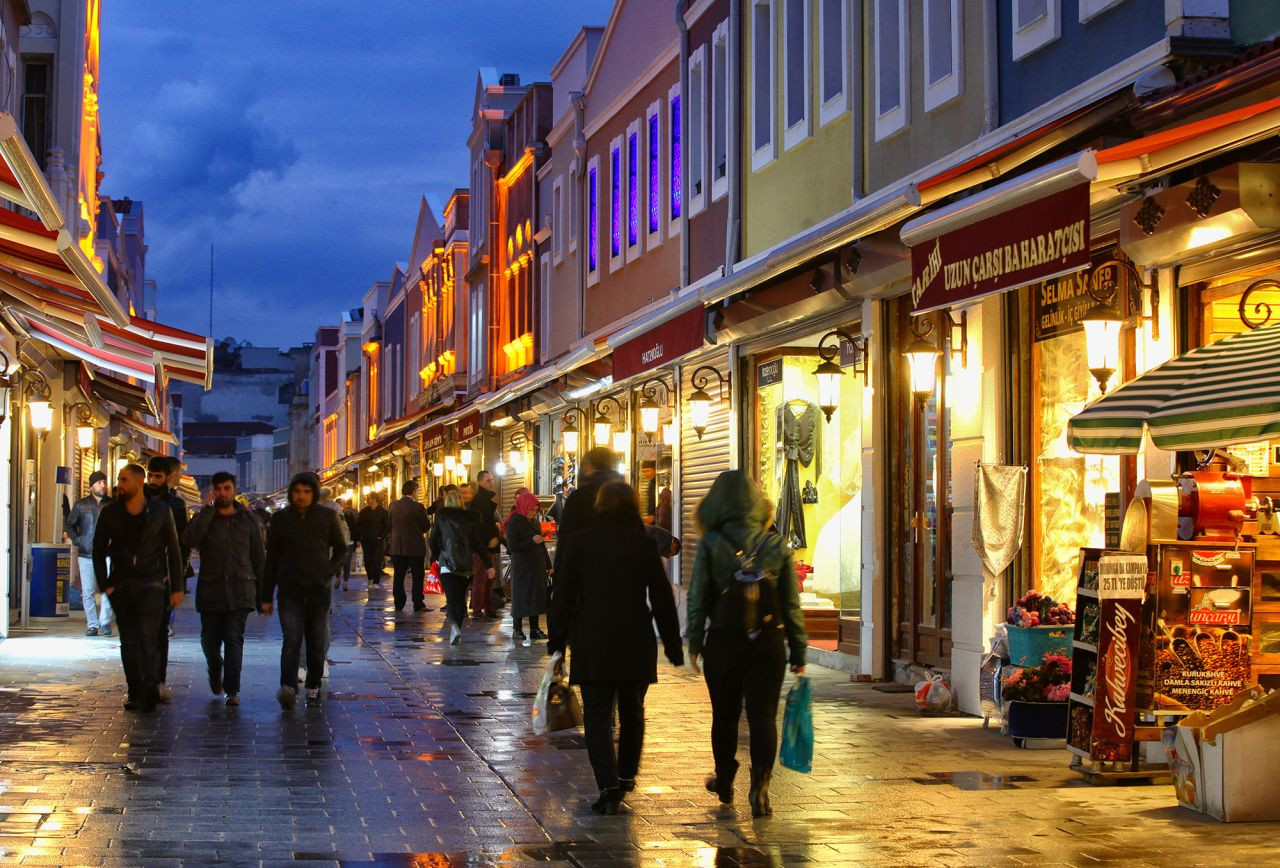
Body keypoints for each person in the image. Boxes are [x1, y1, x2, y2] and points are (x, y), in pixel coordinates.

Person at [548, 481, 683, 815]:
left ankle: (608, 785)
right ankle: (625, 775)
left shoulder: (581, 543)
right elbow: (662, 597)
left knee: (596, 716)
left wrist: (557, 644)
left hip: (593, 640)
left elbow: (563, 596)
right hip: (634, 637)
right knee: (632, 710)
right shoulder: (642, 545)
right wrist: (673, 644)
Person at [687, 470, 808, 817]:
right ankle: (761, 789)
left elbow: (697, 598)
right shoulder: (776, 544)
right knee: (763, 716)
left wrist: (695, 641)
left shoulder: (711, 543)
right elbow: (791, 604)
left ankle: (725, 780)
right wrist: (798, 650)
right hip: (767, 643)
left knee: (724, 716)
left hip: (724, 641)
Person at [92, 464, 183, 712]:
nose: (120, 485)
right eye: (120, 480)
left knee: (148, 636)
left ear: (138, 482)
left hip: (152, 582)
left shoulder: (160, 511)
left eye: (124, 480)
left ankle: (151, 685)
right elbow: (98, 550)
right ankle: (135, 690)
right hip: (121, 584)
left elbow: (173, 550)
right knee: (129, 641)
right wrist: (106, 585)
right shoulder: (110, 513)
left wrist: (177, 587)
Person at [259, 471, 347, 708]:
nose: (301, 496)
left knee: (316, 639)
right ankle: (288, 685)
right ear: (291, 493)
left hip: (319, 589)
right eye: (297, 491)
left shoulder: (327, 517)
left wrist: (327, 571)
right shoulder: (280, 519)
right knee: (292, 637)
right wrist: (265, 596)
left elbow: (341, 549)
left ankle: (313, 684)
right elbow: (272, 558)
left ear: (314, 493)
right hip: (290, 589)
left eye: (306, 492)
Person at [182, 471, 264, 707]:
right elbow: (188, 539)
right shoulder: (206, 518)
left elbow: (258, 558)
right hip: (212, 590)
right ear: (212, 491)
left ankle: (232, 689)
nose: (222, 493)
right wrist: (206, 511)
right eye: (218, 489)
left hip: (241, 589)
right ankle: (214, 666)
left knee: (234, 639)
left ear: (234, 490)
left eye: (226, 488)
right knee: (209, 641)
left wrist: (262, 594)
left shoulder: (248, 521)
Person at [148, 456, 190, 702]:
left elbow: (180, 546)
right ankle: (140, 683)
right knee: (136, 634)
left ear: (167, 477)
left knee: (159, 632)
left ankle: (159, 680)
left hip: (162, 576)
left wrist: (177, 581)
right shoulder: (135, 500)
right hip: (135, 579)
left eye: (158, 476)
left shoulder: (174, 505)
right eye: (150, 475)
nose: (153, 480)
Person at [428, 485, 489, 645]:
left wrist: (436, 556)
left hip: (447, 564)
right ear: (461, 502)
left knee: (451, 598)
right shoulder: (471, 518)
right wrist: (489, 564)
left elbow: (432, 539)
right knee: (461, 598)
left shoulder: (441, 517)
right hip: (466, 565)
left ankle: (454, 626)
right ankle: (457, 628)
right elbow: (478, 543)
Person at [552, 447, 620, 576]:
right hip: (618, 573)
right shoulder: (624, 495)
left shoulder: (579, 498)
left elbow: (566, 539)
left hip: (585, 572)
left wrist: (560, 576)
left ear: (590, 467)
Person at [66, 470, 113, 637]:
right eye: (99, 482)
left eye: (104, 482)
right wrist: (79, 541)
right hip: (86, 554)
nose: (103, 485)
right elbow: (70, 525)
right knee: (88, 591)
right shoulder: (81, 505)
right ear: (92, 485)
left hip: (107, 554)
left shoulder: (112, 505)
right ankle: (92, 624)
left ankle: (105, 622)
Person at [505, 490, 549, 643]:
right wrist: (531, 541)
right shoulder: (515, 522)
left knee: (535, 596)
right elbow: (512, 546)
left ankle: (534, 628)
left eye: (536, 510)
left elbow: (541, 544)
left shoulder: (535, 522)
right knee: (521, 596)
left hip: (537, 565)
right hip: (522, 566)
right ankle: (517, 629)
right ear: (524, 507)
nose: (533, 513)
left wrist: (548, 564)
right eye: (531, 509)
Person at [388, 479, 432, 613]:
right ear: (413, 491)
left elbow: (389, 524)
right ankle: (418, 603)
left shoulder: (393, 506)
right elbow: (426, 526)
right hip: (414, 547)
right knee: (417, 576)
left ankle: (399, 602)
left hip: (397, 546)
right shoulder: (418, 507)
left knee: (399, 575)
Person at [468, 471, 501, 619]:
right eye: (488, 480)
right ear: (480, 482)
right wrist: (490, 539)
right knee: (481, 578)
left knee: (488, 579)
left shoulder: (483, 500)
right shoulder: (479, 501)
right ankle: (477, 610)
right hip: (481, 547)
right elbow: (479, 528)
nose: (491, 483)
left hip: (487, 545)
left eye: (492, 480)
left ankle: (488, 608)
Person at [356, 492, 390, 586]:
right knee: (367, 559)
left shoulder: (383, 512)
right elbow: (359, 525)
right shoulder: (364, 511)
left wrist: (381, 536)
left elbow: (387, 526)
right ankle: (370, 577)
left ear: (374, 499)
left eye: (369, 498)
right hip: (366, 539)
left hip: (377, 540)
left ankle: (376, 581)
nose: (367, 500)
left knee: (377, 559)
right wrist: (360, 537)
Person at [339, 501, 359, 591]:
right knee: (339, 562)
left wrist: (356, 541)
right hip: (339, 543)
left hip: (348, 542)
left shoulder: (350, 516)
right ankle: (338, 577)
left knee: (346, 562)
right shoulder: (335, 517)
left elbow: (354, 529)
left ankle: (345, 581)